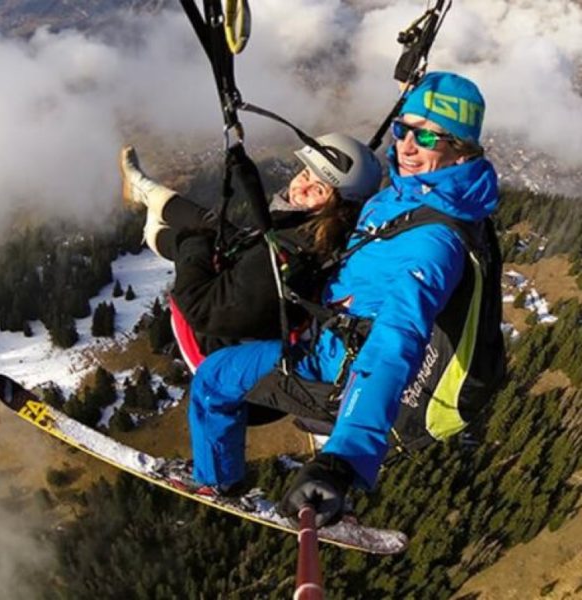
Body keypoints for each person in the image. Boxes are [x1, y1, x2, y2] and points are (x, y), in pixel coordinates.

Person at [185, 71, 504, 526]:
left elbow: (396, 343)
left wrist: (344, 461)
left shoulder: (435, 245)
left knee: (214, 376)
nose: (408, 146)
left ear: (462, 149)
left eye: (428, 135)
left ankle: (217, 482)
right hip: (329, 337)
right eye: (403, 129)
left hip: (336, 374)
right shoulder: (417, 193)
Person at [119, 134, 383, 372]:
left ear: (341, 208)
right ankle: (142, 189)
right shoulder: (320, 231)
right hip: (244, 313)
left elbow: (200, 308)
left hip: (215, 351)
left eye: (319, 189)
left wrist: (191, 243)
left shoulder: (293, 255)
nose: (301, 188)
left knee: (193, 239)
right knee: (213, 225)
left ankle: (151, 227)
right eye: (305, 174)